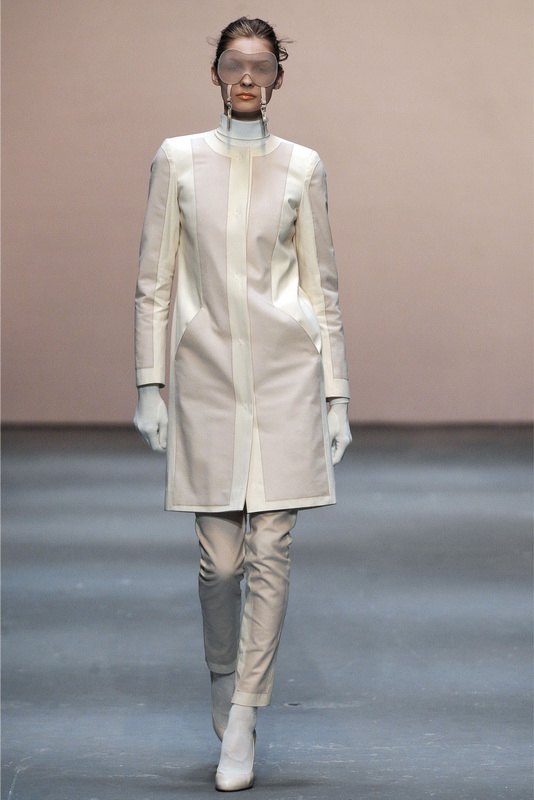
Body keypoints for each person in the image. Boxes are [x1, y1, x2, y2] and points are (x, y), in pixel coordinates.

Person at [133, 17, 351, 792]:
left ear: (279, 77)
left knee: (272, 550)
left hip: (288, 377)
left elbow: (321, 286)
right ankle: (224, 676)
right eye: (234, 64)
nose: (247, 78)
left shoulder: (302, 167)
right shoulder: (178, 159)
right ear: (217, 74)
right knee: (219, 563)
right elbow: (156, 279)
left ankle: (245, 716)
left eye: (260, 65)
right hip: (209, 376)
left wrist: (336, 392)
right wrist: (150, 383)